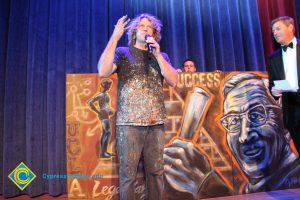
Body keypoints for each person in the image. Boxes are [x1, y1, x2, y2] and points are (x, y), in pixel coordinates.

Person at [164, 73, 300, 199]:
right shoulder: (250, 190)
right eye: (233, 121)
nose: (244, 136)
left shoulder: (294, 184)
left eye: (256, 115)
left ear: (283, 120)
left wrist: (207, 184)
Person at [98, 13, 178, 200]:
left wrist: (158, 56)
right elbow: (103, 71)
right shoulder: (122, 53)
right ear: (134, 31)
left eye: (149, 27)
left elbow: (174, 81)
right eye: (141, 25)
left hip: (155, 122)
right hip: (129, 123)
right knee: (128, 176)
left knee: (156, 173)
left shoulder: (161, 55)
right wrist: (115, 37)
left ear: (154, 33)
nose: (144, 28)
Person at [267, 16, 300, 154]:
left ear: (291, 27)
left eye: (278, 28)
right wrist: (273, 91)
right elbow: (272, 84)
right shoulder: (273, 57)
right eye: (273, 30)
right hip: (292, 111)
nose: (275, 33)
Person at [87, 79, 114, 158]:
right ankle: (103, 153)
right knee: (107, 132)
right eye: (108, 84)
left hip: (106, 115)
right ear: (104, 85)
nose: (109, 86)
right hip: (103, 116)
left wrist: (110, 110)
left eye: (110, 84)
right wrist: (98, 112)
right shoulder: (101, 95)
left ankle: (104, 152)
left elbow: (106, 105)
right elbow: (90, 102)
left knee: (105, 133)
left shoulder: (105, 94)